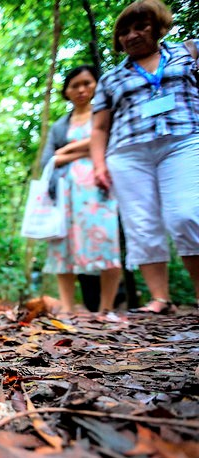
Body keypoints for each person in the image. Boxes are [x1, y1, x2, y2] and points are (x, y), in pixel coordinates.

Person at [91, 0, 199, 314]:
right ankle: (159, 298)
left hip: (184, 140)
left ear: (158, 26)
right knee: (141, 223)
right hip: (128, 152)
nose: (132, 35)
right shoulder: (111, 78)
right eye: (124, 31)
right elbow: (99, 128)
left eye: (141, 27)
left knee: (187, 213)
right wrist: (99, 165)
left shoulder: (188, 52)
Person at [40, 65, 122, 313]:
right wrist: (80, 149)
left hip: (100, 186)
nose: (81, 90)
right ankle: (67, 308)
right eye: (74, 85)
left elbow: (110, 144)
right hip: (65, 191)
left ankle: (106, 308)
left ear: (96, 85)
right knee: (63, 246)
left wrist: (67, 150)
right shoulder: (59, 126)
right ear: (66, 91)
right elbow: (49, 159)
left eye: (87, 83)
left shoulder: (105, 116)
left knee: (107, 242)